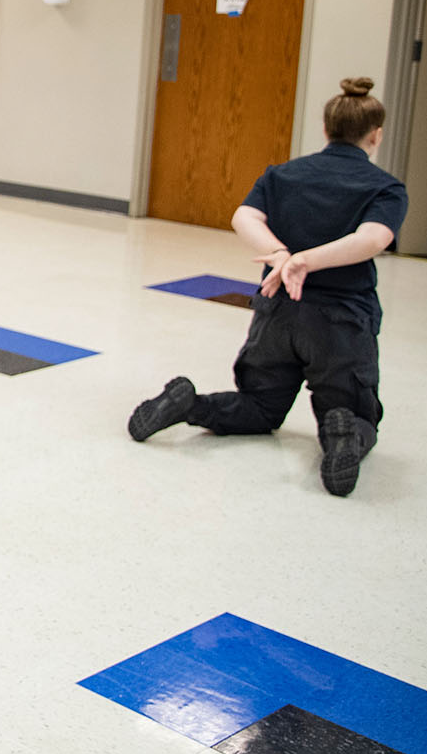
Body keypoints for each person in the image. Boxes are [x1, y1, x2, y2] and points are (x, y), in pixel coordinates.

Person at [127, 78, 407, 497]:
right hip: (340, 323)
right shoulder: (384, 186)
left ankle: (189, 404)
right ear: (376, 135)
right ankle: (343, 434)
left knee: (259, 406)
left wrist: (280, 257)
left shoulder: (283, 175)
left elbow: (244, 217)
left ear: (326, 130)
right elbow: (373, 238)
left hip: (275, 314)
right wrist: (306, 261)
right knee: (354, 412)